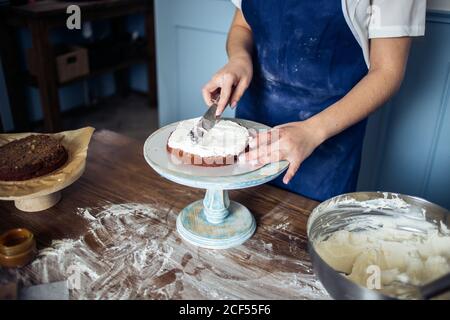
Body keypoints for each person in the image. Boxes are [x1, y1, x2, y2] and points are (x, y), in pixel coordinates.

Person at [202, 0, 426, 201]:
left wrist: (311, 132)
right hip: (254, 118)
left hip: (326, 136)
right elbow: (243, 26)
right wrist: (239, 59)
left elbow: (387, 72)